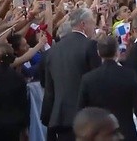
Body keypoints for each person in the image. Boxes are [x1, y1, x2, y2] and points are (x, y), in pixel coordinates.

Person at [77, 35, 137, 141]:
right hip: (126, 132)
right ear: (117, 51)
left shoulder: (88, 79)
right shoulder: (129, 75)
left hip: (99, 135)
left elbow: (81, 110)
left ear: (98, 52)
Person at [41, 8, 101, 141]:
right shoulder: (90, 46)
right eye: (92, 22)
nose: (94, 26)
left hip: (59, 117)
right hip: (85, 117)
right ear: (83, 24)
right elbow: (97, 81)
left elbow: (49, 88)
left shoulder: (53, 50)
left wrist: (47, 116)